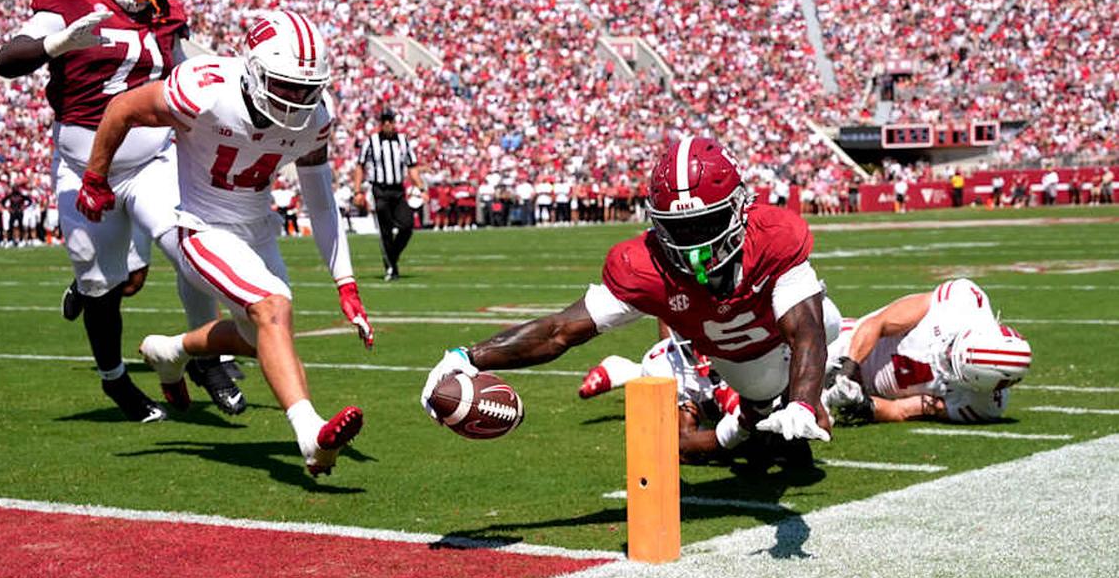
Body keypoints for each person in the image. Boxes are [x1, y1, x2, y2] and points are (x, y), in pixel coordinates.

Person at [75, 10, 373, 476]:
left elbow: (319, 194)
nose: (297, 98)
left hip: (257, 230)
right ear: (253, 71)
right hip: (203, 227)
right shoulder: (206, 89)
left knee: (267, 336)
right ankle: (310, 434)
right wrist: (95, 176)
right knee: (272, 309)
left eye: (306, 87)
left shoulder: (315, 117)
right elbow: (123, 109)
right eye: (285, 85)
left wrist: (346, 281)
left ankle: (171, 351)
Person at [421, 137, 837, 456]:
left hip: (787, 327)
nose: (694, 243)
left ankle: (840, 373)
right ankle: (757, 414)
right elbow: (559, 332)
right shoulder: (644, 264)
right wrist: (467, 357)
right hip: (744, 358)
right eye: (680, 227)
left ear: (739, 208)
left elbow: (805, 332)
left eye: (705, 223)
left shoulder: (773, 235)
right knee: (761, 409)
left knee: (827, 323)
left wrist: (802, 403)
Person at [0, 0, 244, 421]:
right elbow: (7, 60)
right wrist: (57, 42)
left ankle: (207, 359)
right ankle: (115, 381)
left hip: (153, 161)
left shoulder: (165, 15)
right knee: (101, 286)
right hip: (83, 165)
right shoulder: (71, 0)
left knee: (193, 249)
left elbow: (191, 70)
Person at [579, 294, 842, 467]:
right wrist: (737, 429)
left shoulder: (764, 345)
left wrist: (792, 407)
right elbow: (679, 446)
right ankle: (620, 371)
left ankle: (618, 370)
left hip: (754, 376)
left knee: (788, 449)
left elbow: (822, 427)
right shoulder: (668, 360)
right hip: (709, 398)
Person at [821, 279, 1032, 424]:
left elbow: (902, 410)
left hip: (866, 390)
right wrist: (848, 364)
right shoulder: (961, 301)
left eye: (952, 366)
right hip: (846, 345)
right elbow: (880, 322)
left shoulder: (984, 406)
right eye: (951, 349)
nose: (945, 358)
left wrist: (863, 404)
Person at [356, 109, 425, 281]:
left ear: (394, 122)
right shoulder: (371, 142)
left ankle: (392, 256)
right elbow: (360, 165)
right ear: (381, 123)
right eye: (384, 120)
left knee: (407, 225)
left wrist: (421, 188)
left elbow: (412, 166)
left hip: (398, 190)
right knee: (385, 231)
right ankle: (392, 269)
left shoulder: (403, 141)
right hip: (380, 190)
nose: (387, 124)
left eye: (390, 120)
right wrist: (357, 190)